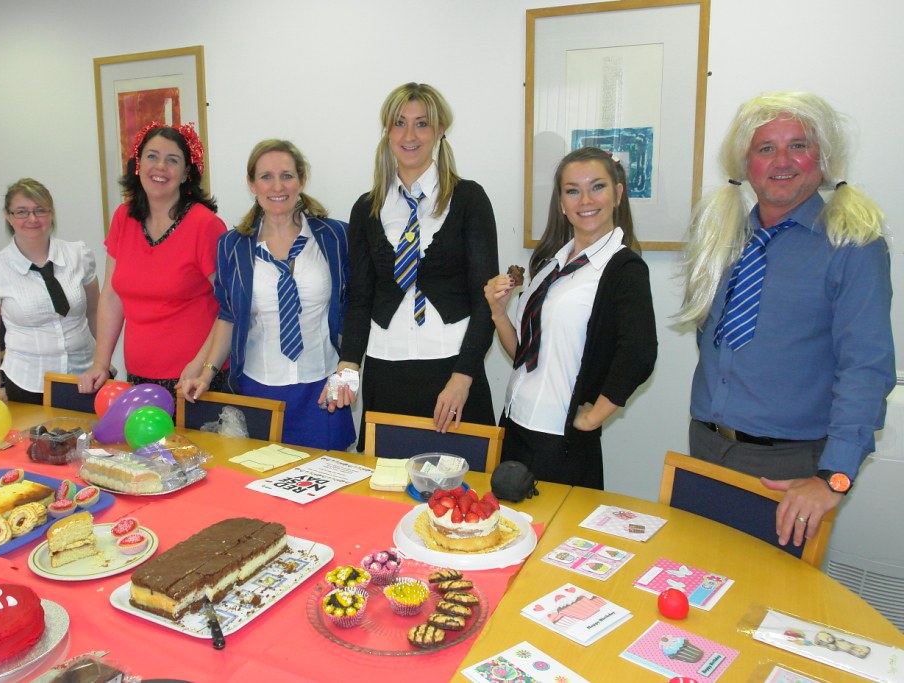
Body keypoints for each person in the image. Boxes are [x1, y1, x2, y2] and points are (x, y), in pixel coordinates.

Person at [677, 91, 895, 548]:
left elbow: (867, 369)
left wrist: (833, 478)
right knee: (696, 587)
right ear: (746, 163)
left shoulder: (852, 244)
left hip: (789, 471)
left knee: (766, 614)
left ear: (823, 158)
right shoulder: (723, 236)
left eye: (798, 145)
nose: (782, 160)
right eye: (766, 148)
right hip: (707, 449)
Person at [331, 82, 499, 451]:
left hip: (451, 367)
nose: (410, 135)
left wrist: (463, 377)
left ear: (440, 130)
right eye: (399, 123)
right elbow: (360, 298)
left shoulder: (469, 198)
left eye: (422, 124)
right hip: (385, 366)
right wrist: (348, 366)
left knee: (463, 495)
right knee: (384, 493)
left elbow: (486, 300)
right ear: (387, 132)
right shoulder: (366, 208)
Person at [485, 148, 657, 487]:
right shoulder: (551, 264)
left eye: (597, 187)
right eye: (573, 190)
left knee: (557, 538)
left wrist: (593, 417)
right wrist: (499, 313)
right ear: (562, 204)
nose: (585, 200)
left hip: (560, 441)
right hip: (514, 424)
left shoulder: (624, 269)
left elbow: (639, 354)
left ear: (618, 194)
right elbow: (525, 353)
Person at [179, 140, 355, 450]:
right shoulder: (232, 246)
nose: (278, 186)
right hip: (259, 388)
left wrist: (348, 371)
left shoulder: (336, 237)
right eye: (266, 177)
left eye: (287, 175)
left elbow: (354, 307)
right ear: (251, 183)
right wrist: (205, 371)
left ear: (301, 180)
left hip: (321, 388)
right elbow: (228, 316)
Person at [79, 122, 227, 396]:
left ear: (186, 174)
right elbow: (112, 295)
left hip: (195, 381)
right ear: (137, 164)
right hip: (139, 375)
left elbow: (229, 306)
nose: (160, 166)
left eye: (172, 160)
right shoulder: (123, 217)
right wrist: (101, 362)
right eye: (151, 156)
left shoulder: (205, 225)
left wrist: (202, 365)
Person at [0, 178, 99, 404]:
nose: (32, 219)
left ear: (52, 214)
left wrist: (104, 361)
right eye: (21, 212)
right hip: (27, 383)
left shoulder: (79, 255)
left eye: (40, 210)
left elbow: (97, 312)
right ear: (8, 217)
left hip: (86, 376)